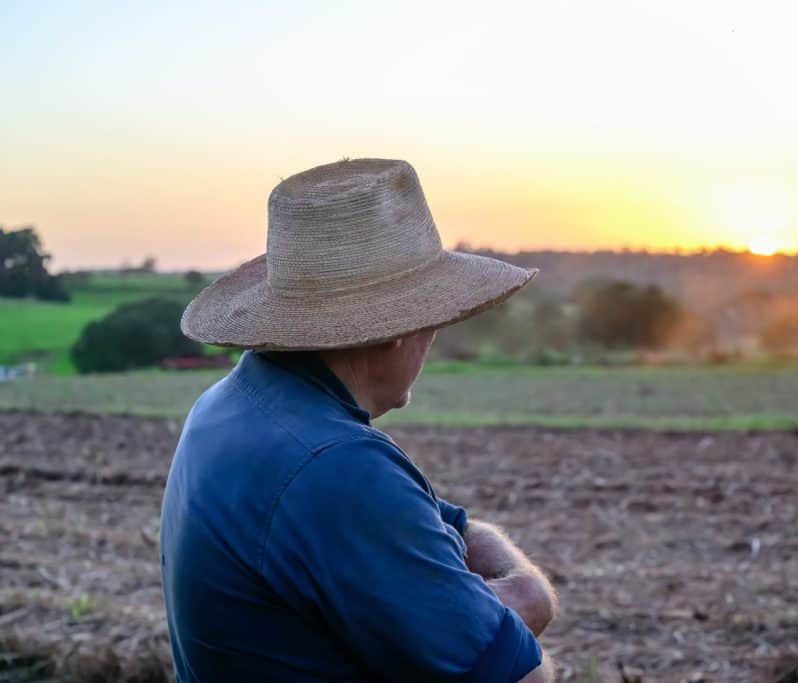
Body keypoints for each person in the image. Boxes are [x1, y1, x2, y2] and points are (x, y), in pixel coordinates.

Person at [160, 159, 558, 681]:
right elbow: (519, 677)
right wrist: (522, 599)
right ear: (398, 329)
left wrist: (516, 593)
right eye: (436, 317)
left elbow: (446, 530)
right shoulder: (336, 467)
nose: (433, 339)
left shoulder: (229, 404)